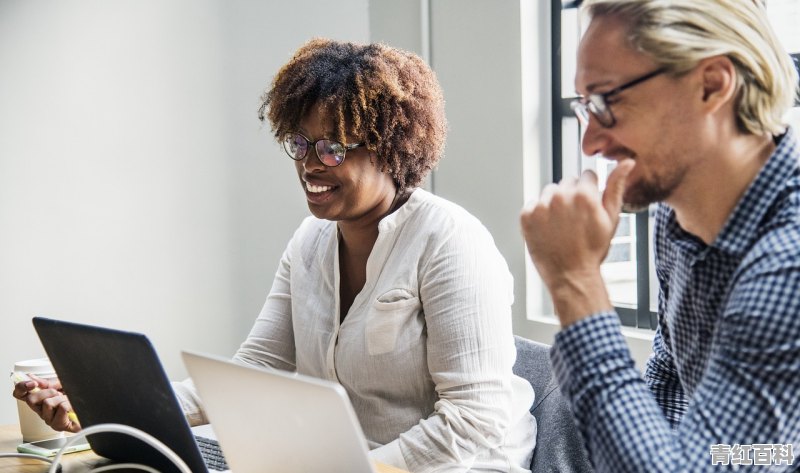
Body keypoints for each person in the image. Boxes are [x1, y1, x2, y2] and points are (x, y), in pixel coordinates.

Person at [14, 38, 536, 472]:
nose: (310, 164)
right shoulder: (310, 242)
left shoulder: (450, 243)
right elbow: (254, 372)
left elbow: (475, 420)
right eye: (300, 143)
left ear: (389, 146)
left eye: (332, 147)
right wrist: (110, 409)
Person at [520, 0, 800, 471]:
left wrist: (574, 281)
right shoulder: (675, 218)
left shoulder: (787, 263)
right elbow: (670, 379)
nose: (590, 143)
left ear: (712, 84)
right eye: (585, 106)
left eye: (607, 101)